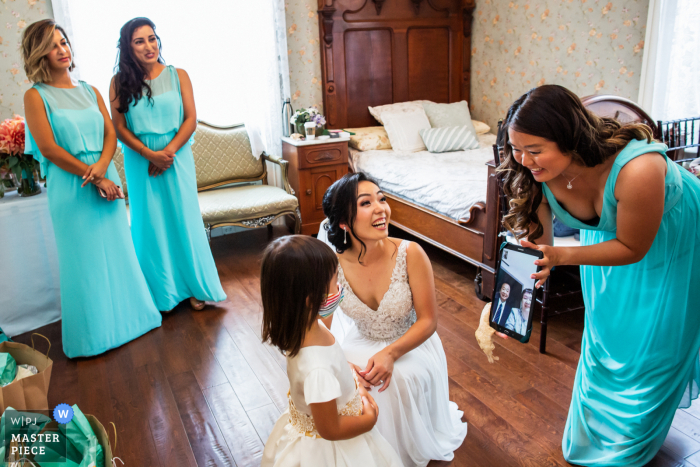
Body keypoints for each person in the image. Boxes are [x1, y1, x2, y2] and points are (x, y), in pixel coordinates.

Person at [499, 84, 700, 466]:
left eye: (535, 150)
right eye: (515, 148)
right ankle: (597, 431)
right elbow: (536, 250)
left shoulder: (638, 169)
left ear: (570, 139)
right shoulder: (536, 174)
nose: (524, 160)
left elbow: (632, 247)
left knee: (656, 344)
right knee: (608, 336)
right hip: (606, 245)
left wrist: (560, 255)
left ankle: (629, 446)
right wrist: (511, 302)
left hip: (676, 238)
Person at [21, 20, 161, 358]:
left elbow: (111, 133)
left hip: (104, 173)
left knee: (118, 253)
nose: (63, 49)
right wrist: (96, 177)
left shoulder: (90, 89)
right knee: (83, 264)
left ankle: (134, 322)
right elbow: (50, 149)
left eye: (64, 41)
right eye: (54, 45)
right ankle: (92, 339)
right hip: (72, 187)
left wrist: (102, 169)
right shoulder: (35, 96)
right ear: (40, 53)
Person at [322, 173, 467, 467]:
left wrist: (390, 353)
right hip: (359, 341)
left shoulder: (411, 254)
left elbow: (428, 321)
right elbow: (322, 327)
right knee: (339, 381)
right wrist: (341, 363)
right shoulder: (331, 267)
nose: (381, 208)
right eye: (366, 202)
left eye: (382, 199)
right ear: (343, 222)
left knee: (392, 381)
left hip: (411, 343)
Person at [109, 17, 225, 312]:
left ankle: (196, 287)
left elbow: (190, 119)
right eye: (139, 41)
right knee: (151, 225)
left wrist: (168, 153)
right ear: (127, 47)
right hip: (140, 160)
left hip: (177, 157)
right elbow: (119, 128)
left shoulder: (178, 75)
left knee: (184, 221)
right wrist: (149, 154)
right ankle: (162, 293)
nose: (149, 46)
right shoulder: (118, 82)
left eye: (152, 38)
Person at [259, 235, 402, 467]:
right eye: (335, 282)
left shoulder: (304, 330)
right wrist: (369, 420)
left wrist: (350, 375)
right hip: (331, 452)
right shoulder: (317, 369)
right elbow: (330, 429)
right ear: (311, 299)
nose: (339, 288)